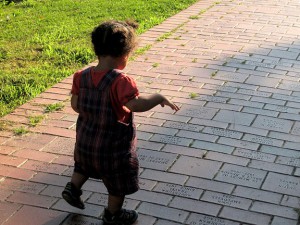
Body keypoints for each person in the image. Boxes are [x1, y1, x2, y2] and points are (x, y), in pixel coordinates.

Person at [62, 20, 179, 225]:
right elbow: (135, 105)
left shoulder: (81, 77)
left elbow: (75, 105)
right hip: (112, 149)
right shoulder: (120, 81)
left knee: (83, 167)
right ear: (123, 55)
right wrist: (158, 97)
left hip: (85, 143)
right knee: (117, 183)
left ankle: (73, 188)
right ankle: (113, 214)